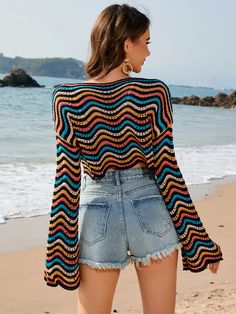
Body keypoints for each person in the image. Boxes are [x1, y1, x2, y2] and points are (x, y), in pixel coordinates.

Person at [44, 4, 223, 314]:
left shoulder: (67, 98)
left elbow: (67, 179)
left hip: (97, 214)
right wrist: (199, 241)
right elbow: (168, 171)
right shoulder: (154, 93)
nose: (149, 53)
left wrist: (59, 255)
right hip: (150, 208)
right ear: (127, 43)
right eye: (146, 42)